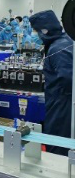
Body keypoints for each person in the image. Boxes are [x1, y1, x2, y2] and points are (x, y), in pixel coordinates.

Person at [30, 10, 73, 156]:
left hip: (62, 105)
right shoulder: (64, 41)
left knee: (57, 144)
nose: (35, 35)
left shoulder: (58, 48)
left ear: (44, 30)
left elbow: (68, 80)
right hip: (60, 102)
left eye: (36, 31)